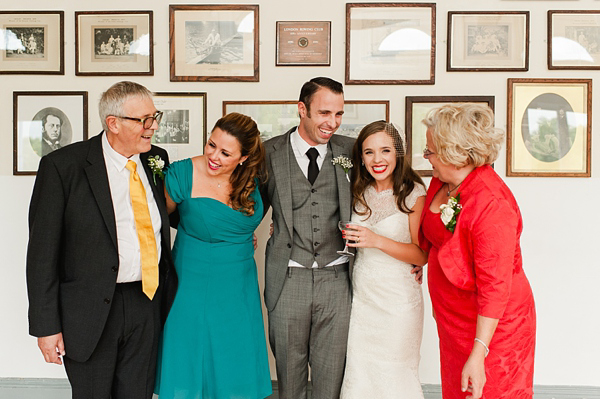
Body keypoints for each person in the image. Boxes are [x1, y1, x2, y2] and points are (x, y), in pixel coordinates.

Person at [26, 81, 178, 399]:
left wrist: (234, 232)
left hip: (146, 302)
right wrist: (45, 326)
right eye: (144, 120)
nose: (154, 127)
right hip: (89, 309)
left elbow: (174, 215)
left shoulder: (157, 160)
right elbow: (42, 254)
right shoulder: (63, 167)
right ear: (113, 123)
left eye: (155, 116)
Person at [419, 104, 536, 399]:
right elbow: (435, 235)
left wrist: (479, 351)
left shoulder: (491, 203)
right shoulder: (442, 180)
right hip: (454, 322)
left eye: (431, 150)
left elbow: (496, 287)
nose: (425, 156)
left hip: (493, 329)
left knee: (489, 391)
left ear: (454, 153)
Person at [155, 112, 272, 399]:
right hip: (190, 277)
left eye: (225, 152)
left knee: (234, 352)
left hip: (238, 282)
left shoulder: (254, 179)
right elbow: (156, 223)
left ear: (244, 157)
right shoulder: (183, 173)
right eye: (211, 145)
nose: (214, 156)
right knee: (188, 351)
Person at [261, 77, 354, 399]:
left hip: (337, 278)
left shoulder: (352, 151)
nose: (333, 122)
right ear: (302, 109)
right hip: (288, 278)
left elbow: (384, 196)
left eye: (339, 114)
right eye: (324, 113)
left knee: (332, 376)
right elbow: (247, 207)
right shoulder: (268, 153)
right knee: (289, 378)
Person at [339, 121, 427, 399]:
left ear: (397, 154)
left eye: (385, 150)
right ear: (360, 158)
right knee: (361, 372)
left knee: (394, 372)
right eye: (369, 152)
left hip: (398, 301)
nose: (377, 159)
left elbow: (421, 254)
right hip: (362, 298)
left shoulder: (413, 193)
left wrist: (376, 240)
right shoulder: (356, 190)